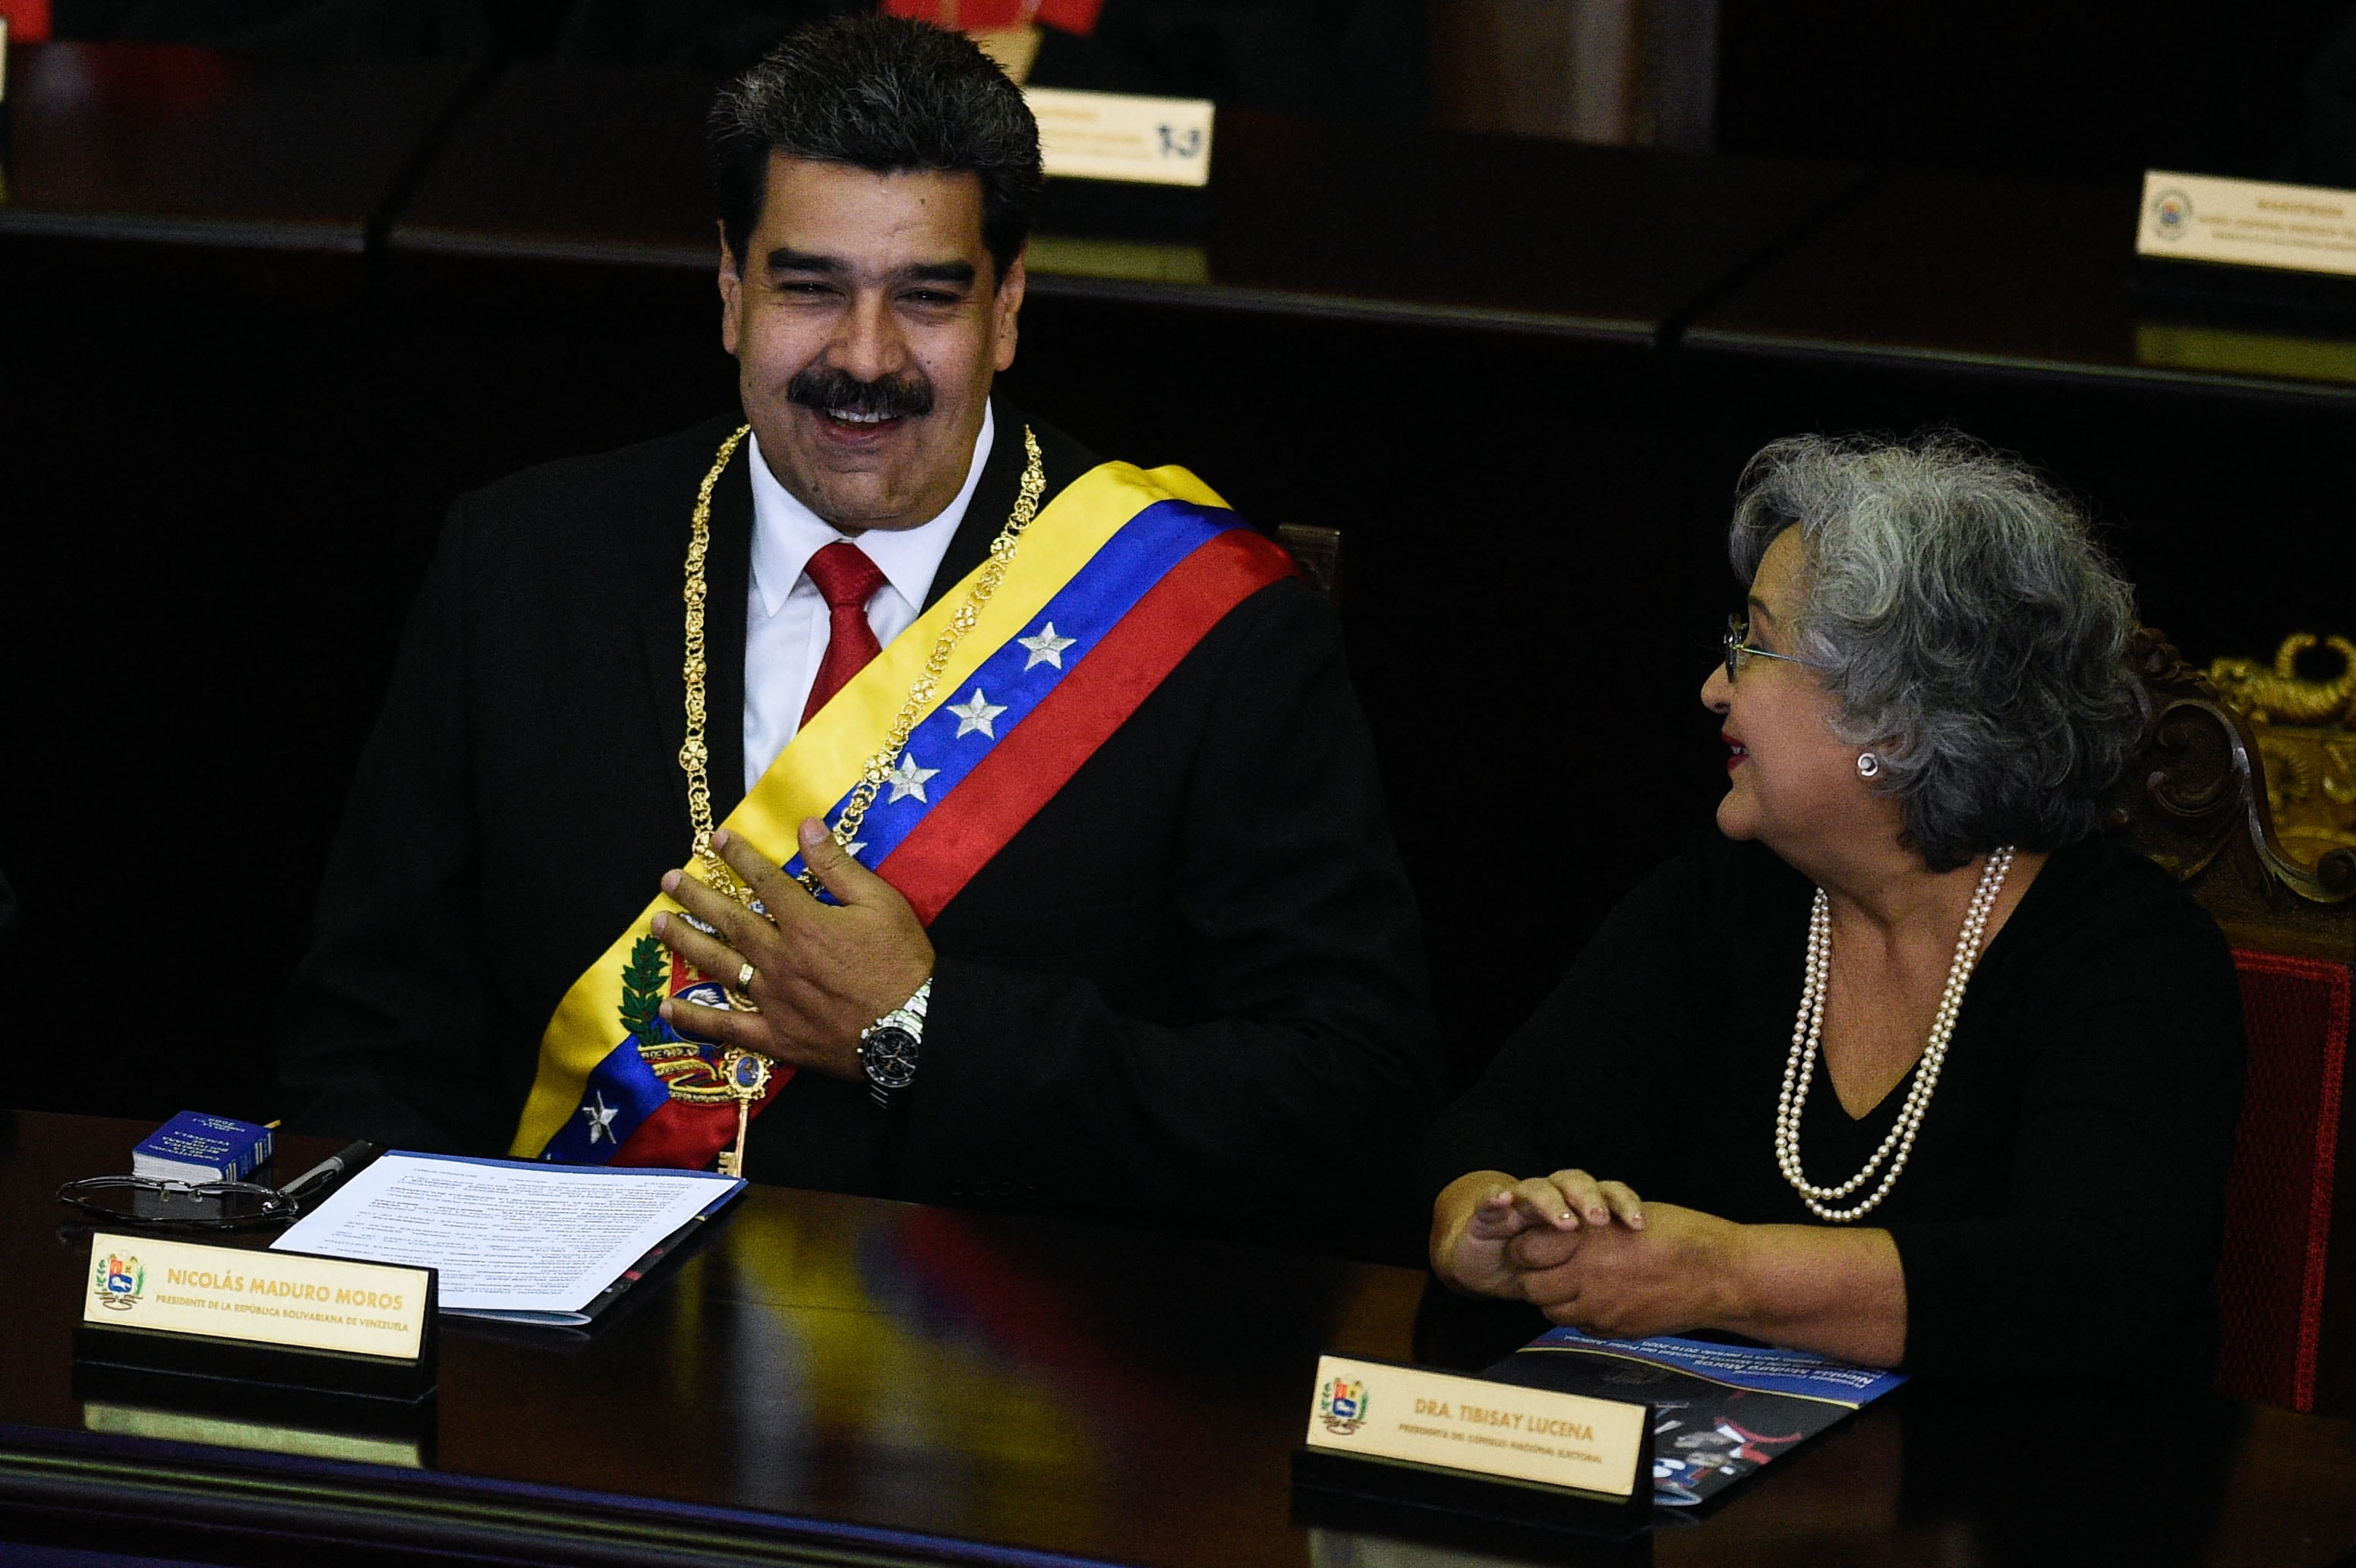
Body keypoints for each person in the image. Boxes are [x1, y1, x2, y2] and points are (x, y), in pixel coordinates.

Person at [276, 14, 1437, 1250]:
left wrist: (923, 1029)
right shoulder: (523, 563)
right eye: (809, 288)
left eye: (926, 298)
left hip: (1013, 1391)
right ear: (730, 289)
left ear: (1007, 305)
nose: (864, 359)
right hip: (567, 1376)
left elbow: (1345, 1102)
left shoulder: (1213, 629)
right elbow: (369, 1039)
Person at [1421, 434, 2244, 1377]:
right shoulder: (1724, 897)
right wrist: (1484, 1220)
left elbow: (2095, 1282)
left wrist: (1725, 1274)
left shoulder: (2131, 954)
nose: (1713, 687)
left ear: (1891, 722)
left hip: (2022, 1496)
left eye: (1754, 646)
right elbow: (1501, 1120)